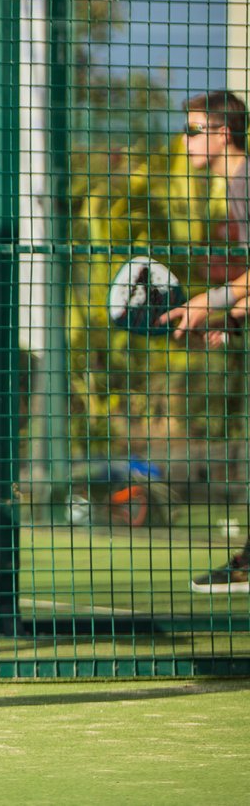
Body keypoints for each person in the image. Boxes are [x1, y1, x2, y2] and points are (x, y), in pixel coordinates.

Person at [159, 89, 250, 594]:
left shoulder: (245, 181)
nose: (185, 140)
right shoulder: (236, 184)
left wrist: (209, 301)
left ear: (223, 132)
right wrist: (232, 318)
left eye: (193, 130)